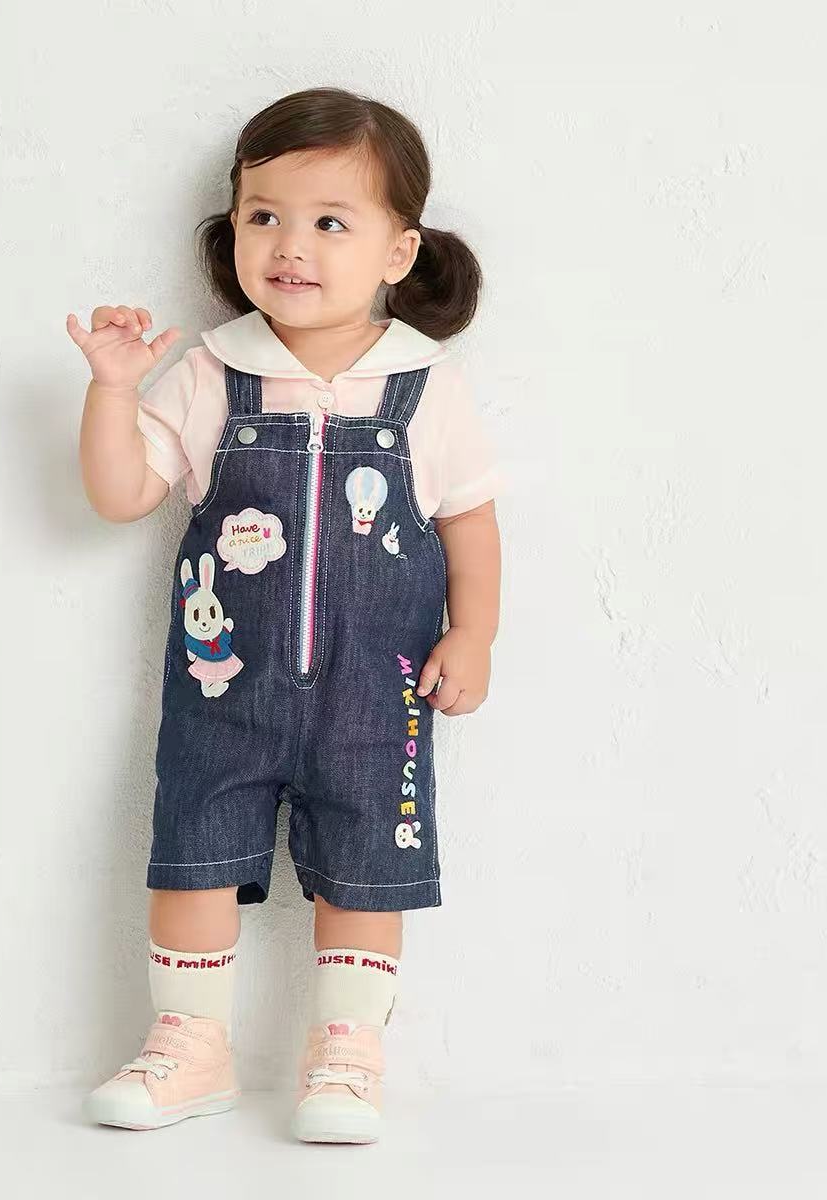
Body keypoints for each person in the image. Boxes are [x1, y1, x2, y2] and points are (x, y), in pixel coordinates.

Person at [66, 86, 503, 1145]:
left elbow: (470, 519)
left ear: (398, 252)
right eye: (264, 215)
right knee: (196, 849)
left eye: (329, 222)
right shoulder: (215, 371)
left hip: (377, 690)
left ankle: (347, 1054)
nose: (290, 245)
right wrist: (114, 390)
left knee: (367, 867)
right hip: (222, 684)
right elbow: (121, 495)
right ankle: (190, 1045)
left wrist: (474, 632)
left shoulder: (423, 384)